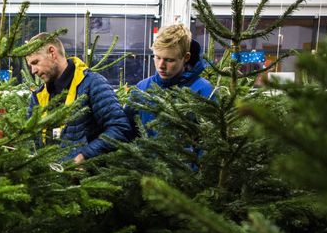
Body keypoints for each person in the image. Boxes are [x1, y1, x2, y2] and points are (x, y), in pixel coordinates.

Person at [25, 34, 133, 163]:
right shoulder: (38, 97)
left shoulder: (93, 84)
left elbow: (120, 129)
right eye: (30, 66)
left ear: (52, 52)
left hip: (87, 179)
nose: (33, 71)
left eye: (35, 62)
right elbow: (30, 141)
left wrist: (85, 156)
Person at [133, 23, 215, 137]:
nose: (161, 65)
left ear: (186, 58)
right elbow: (127, 132)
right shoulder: (142, 88)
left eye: (169, 60)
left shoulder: (204, 91)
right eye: (157, 57)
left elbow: (210, 140)